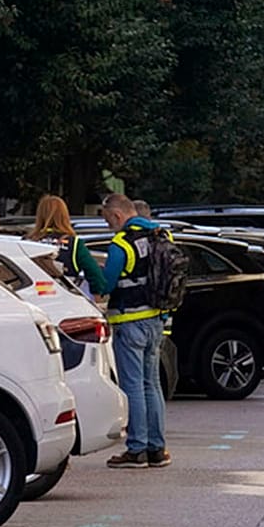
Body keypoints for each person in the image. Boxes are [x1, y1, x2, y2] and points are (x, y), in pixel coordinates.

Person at [95, 193, 169, 469]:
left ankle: (137, 448)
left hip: (129, 322)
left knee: (134, 387)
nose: (108, 226)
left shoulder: (121, 244)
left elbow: (106, 284)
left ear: (116, 215)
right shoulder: (162, 236)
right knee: (153, 385)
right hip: (156, 321)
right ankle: (157, 448)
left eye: (107, 220)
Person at [26, 194, 106, 295]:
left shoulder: (27, 242)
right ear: (64, 215)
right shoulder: (74, 244)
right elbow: (96, 276)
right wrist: (97, 293)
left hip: (32, 298)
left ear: (39, 215)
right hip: (64, 300)